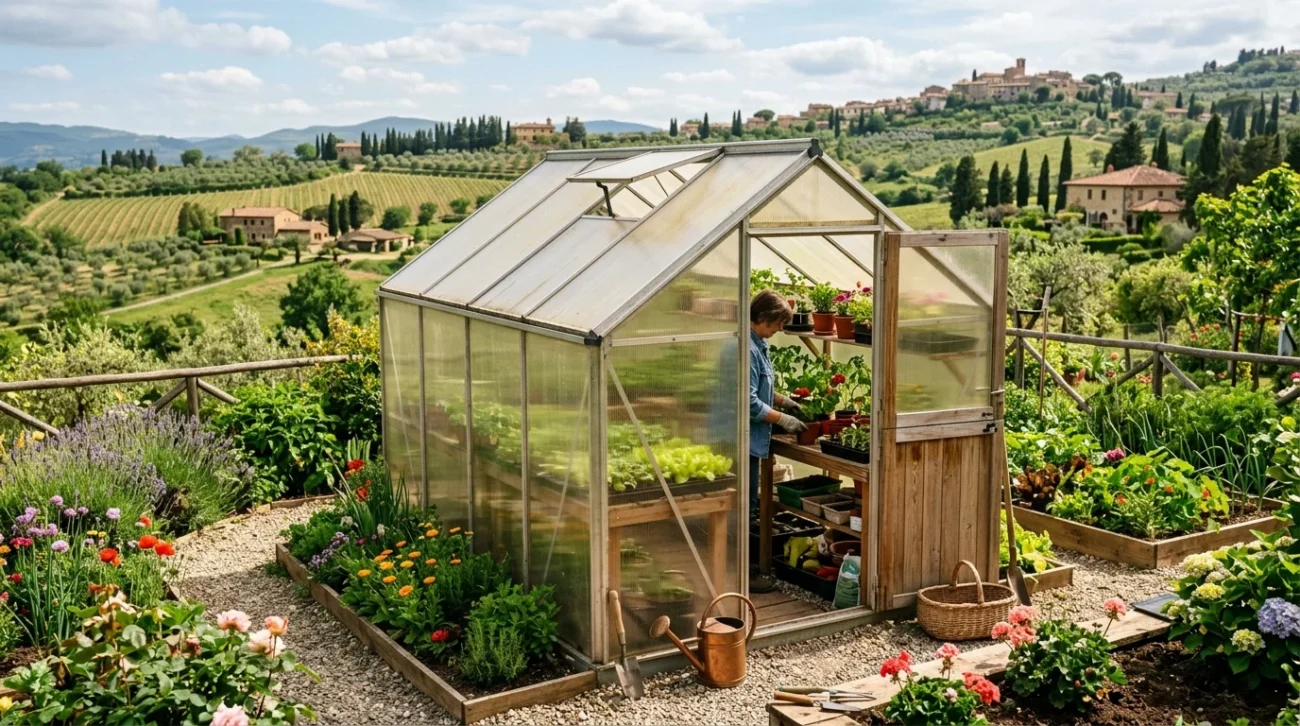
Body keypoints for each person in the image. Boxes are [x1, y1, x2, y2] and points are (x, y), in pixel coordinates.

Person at [749, 290, 807, 592]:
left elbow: (761, 387)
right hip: (742, 439)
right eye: (776, 324)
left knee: (749, 503)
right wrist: (782, 419)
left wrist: (785, 401)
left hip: (753, 439)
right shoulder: (746, 348)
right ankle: (742, 574)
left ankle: (745, 569)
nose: (779, 330)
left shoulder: (758, 344)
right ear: (760, 319)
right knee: (742, 506)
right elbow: (749, 402)